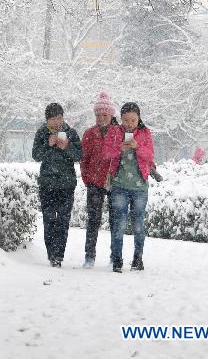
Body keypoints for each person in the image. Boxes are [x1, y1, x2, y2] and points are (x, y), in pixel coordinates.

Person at [102, 101, 154, 273]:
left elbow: (150, 156)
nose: (129, 124)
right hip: (119, 186)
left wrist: (137, 146)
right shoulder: (114, 131)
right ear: (121, 119)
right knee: (119, 224)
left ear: (138, 118)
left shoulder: (145, 133)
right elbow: (105, 153)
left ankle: (138, 259)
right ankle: (117, 260)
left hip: (140, 186)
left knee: (139, 224)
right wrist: (119, 148)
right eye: (125, 120)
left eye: (133, 120)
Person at [31, 102, 82, 267]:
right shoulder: (41, 133)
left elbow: (79, 155)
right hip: (47, 184)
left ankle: (58, 256)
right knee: (49, 220)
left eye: (59, 118)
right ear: (47, 120)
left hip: (66, 185)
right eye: (53, 119)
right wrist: (49, 143)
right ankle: (51, 254)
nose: (57, 122)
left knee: (63, 221)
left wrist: (66, 146)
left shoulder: (71, 133)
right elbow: (36, 155)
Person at [80, 91, 118, 268]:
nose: (102, 118)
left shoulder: (118, 133)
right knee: (93, 220)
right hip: (94, 182)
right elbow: (84, 158)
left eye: (105, 115)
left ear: (111, 115)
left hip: (113, 182)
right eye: (99, 115)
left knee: (114, 221)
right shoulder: (89, 133)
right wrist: (87, 178)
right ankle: (89, 256)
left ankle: (114, 256)